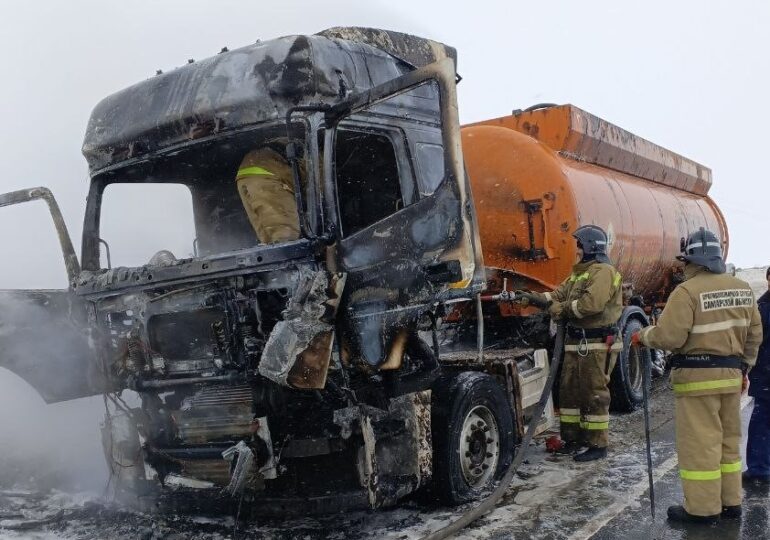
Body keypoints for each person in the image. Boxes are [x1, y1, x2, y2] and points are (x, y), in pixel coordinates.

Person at [633, 228, 762, 524]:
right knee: (728, 443)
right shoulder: (742, 288)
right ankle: (731, 503)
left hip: (697, 381)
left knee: (700, 447)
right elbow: (755, 335)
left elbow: (671, 336)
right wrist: (744, 367)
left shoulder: (687, 291)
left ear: (692, 259)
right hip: (731, 378)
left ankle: (702, 511)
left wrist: (644, 335)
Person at [520, 225, 623, 462]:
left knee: (593, 394)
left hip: (596, 343)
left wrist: (560, 310)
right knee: (570, 394)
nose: (575, 250)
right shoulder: (579, 273)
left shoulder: (603, 271)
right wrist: (532, 298)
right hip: (576, 343)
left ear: (589, 247)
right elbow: (557, 296)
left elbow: (590, 305)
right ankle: (573, 439)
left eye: (578, 245)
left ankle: (598, 444)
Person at [235, 142, 300, 244]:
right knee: (285, 235)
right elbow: (311, 180)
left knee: (268, 237)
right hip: (267, 172)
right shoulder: (316, 160)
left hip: (248, 174)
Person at [745, 266, 770, 483]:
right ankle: (759, 467)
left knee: (761, 421)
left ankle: (759, 468)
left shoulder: (762, 307)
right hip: (765, 374)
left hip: (766, 375)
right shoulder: (762, 307)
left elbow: (754, 340)